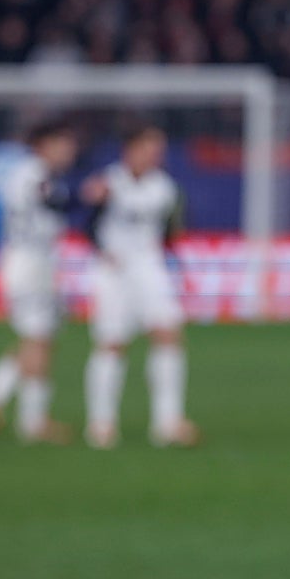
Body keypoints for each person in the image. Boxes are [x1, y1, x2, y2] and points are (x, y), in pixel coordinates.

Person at [82, 124, 198, 449]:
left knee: (168, 335)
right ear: (130, 149)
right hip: (114, 271)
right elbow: (86, 225)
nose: (155, 155)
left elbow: (170, 232)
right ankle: (101, 424)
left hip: (149, 268)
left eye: (158, 149)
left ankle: (167, 423)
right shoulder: (108, 184)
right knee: (112, 342)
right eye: (149, 148)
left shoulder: (164, 188)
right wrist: (103, 249)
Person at [0, 120, 78, 443]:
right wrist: (86, 197)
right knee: (38, 340)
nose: (70, 150)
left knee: (40, 337)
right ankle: (33, 422)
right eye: (64, 143)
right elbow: (53, 202)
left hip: (33, 261)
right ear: (45, 144)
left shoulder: (25, 173)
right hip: (29, 263)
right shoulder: (35, 173)